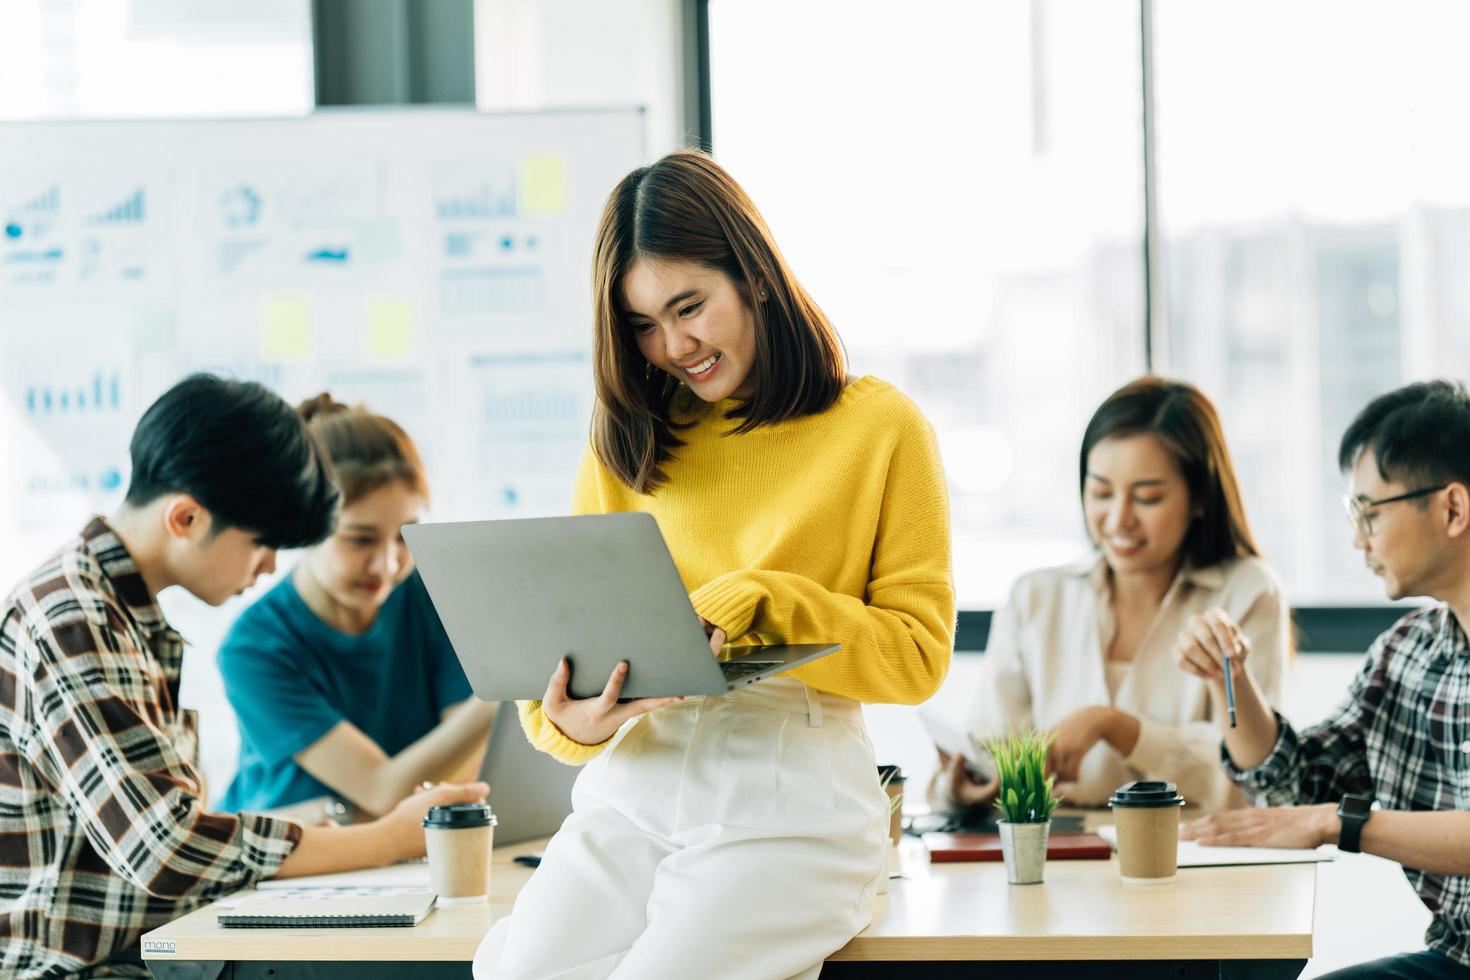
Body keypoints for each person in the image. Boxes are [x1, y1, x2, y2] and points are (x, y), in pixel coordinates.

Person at [474, 151, 955, 980]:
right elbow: (556, 686)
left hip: (789, 799)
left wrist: (766, 598)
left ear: (755, 275)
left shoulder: (880, 428)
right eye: (642, 325)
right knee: (513, 974)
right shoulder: (629, 440)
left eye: (689, 306)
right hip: (634, 790)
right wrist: (570, 719)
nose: (673, 347)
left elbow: (917, 659)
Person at [0, 375, 485, 980]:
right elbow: (167, 849)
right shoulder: (74, 619)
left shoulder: (122, 613)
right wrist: (389, 838)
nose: (269, 566)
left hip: (174, 942)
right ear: (186, 518)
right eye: (261, 544)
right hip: (101, 966)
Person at [1178, 380, 1470, 979]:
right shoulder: (1407, 651)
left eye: (1369, 511)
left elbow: (1318, 815)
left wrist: (1342, 823)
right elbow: (1296, 788)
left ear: (1452, 508)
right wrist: (1229, 676)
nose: (1357, 537)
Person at [932, 377, 1290, 817]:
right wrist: (959, 792)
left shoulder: (1247, 592)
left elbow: (1250, 778)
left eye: (1148, 497)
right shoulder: (1036, 598)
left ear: (1199, 497)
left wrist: (1116, 727)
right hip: (1056, 856)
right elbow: (986, 753)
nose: (1119, 519)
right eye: (1101, 492)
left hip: (1192, 856)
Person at [217, 395, 495, 820]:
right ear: (307, 529)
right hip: (294, 865)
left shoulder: (430, 594)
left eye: (406, 537)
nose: (386, 564)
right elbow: (379, 789)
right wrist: (507, 689)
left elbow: (464, 768)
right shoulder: (253, 648)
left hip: (400, 844)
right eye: (360, 539)